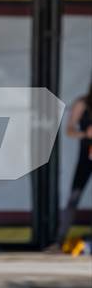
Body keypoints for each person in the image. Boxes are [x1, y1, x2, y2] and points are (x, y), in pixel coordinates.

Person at [47, 79, 92, 252]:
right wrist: (84, 133)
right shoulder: (83, 103)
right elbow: (69, 129)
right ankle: (59, 240)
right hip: (86, 157)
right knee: (74, 197)